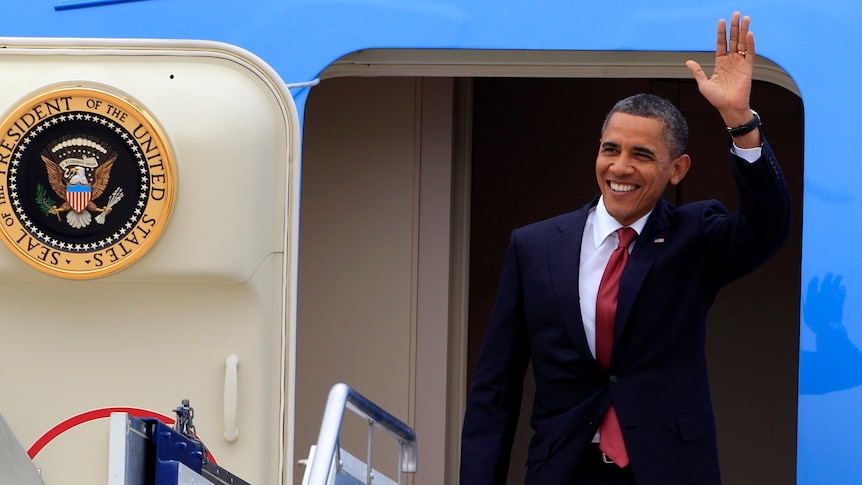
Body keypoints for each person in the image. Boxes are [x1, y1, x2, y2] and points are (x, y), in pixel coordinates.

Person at [460, 12, 792, 485]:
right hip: (564, 469)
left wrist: (740, 122)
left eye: (641, 155)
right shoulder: (533, 247)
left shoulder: (695, 235)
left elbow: (768, 227)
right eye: (610, 149)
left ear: (677, 170)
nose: (620, 167)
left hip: (669, 469)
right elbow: (494, 390)